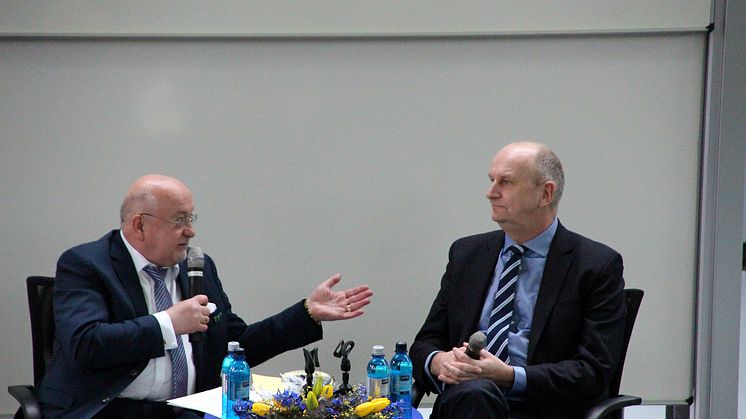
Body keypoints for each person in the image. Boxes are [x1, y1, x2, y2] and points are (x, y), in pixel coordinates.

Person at [37, 174, 373, 419]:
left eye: (191, 218)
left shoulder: (197, 267)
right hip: (107, 407)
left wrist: (306, 313)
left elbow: (237, 344)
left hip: (191, 408)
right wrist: (168, 324)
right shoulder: (86, 265)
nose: (191, 230)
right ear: (139, 225)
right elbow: (86, 344)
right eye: (180, 220)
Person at [410, 142, 626, 419]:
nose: (491, 192)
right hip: (468, 403)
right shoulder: (467, 255)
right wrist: (439, 362)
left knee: (477, 394)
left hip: (543, 407)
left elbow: (593, 371)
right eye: (492, 181)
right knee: (475, 394)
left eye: (506, 182)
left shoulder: (595, 265)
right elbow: (425, 343)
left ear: (546, 193)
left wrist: (510, 376)